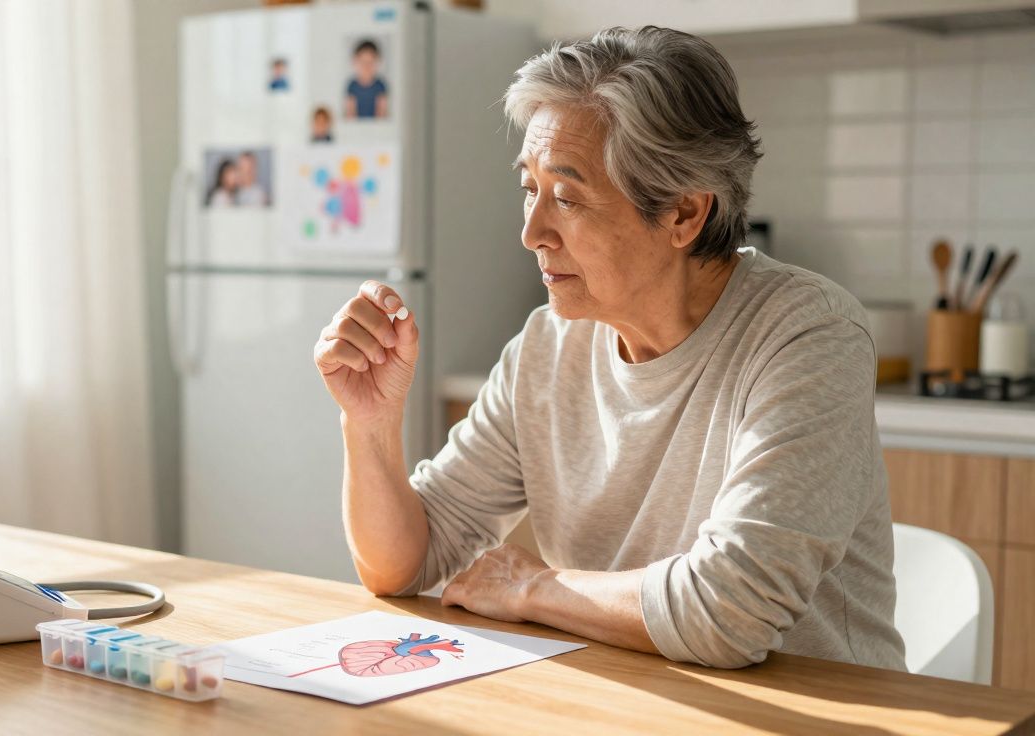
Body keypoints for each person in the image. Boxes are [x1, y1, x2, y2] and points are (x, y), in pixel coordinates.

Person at [312, 26, 907, 671]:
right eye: (528, 189)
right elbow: (402, 564)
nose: (531, 232)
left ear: (684, 213)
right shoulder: (548, 345)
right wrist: (369, 425)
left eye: (567, 198)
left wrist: (533, 587)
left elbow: (731, 612)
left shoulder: (806, 336)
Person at [344, 39, 388, 119]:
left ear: (378, 62)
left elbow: (382, 113)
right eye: (363, 62)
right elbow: (350, 113)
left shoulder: (380, 85)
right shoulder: (352, 86)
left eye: (371, 62)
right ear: (355, 62)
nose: (366, 67)